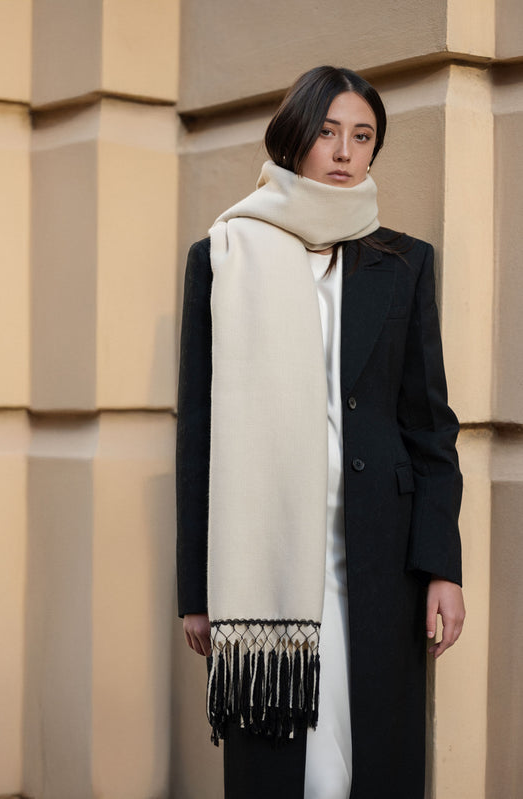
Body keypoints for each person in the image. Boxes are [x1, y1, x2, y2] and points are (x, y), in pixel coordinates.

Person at [176, 65, 465, 799]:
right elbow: (199, 434)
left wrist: (442, 566)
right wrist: (195, 590)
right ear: (294, 139)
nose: (343, 152)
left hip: (379, 556)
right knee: (287, 765)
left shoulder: (403, 263)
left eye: (362, 137)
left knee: (365, 755)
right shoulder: (222, 257)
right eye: (328, 132)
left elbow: (429, 425)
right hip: (268, 561)